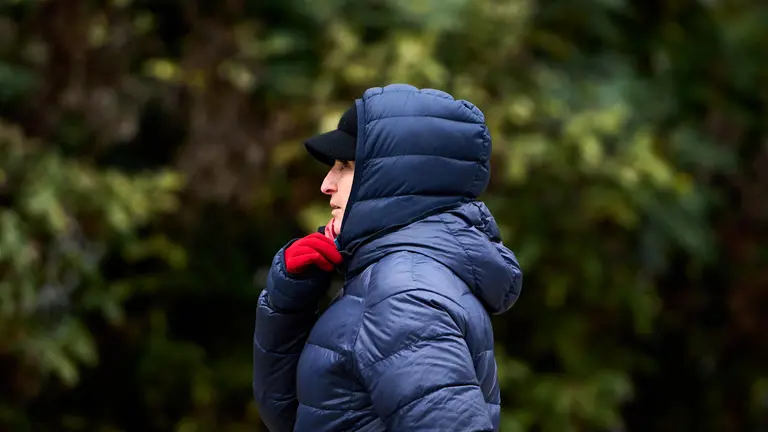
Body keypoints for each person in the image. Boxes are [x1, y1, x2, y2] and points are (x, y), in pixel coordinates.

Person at [252, 84, 523, 432]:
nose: (326, 183)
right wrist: (289, 304)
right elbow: (301, 417)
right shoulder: (389, 279)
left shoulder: (402, 294)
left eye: (346, 165)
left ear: (399, 179)